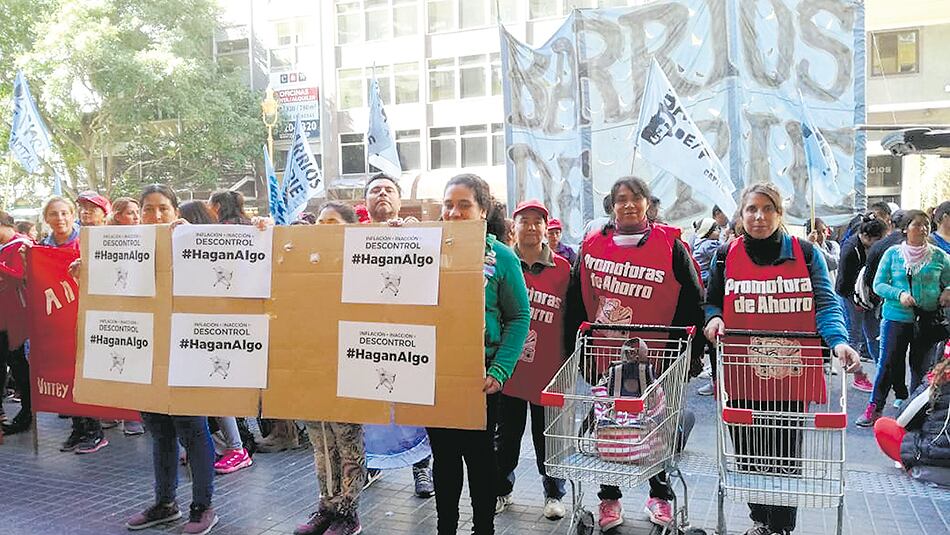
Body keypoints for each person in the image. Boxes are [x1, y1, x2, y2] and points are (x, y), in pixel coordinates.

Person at [704, 183, 859, 535]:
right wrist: (714, 318)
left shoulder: (806, 253)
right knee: (746, 456)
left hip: (791, 374)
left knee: (785, 457)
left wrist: (838, 342)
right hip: (742, 372)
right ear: (741, 215)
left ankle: (780, 527)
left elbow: (825, 303)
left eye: (767, 209)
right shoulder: (725, 255)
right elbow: (712, 300)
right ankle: (760, 520)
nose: (759, 216)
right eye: (751, 209)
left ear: (779, 213)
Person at [564, 176, 704, 531]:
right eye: (620, 199)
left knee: (654, 432)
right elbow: (577, 302)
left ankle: (660, 495)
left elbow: (692, 301)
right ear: (611, 206)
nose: (628, 204)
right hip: (607, 358)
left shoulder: (671, 246)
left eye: (635, 198)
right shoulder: (592, 246)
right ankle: (609, 500)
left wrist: (688, 356)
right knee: (609, 431)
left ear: (647, 204)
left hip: (656, 360)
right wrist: (581, 356)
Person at [428, 173, 530, 535]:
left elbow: (519, 317)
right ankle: (446, 528)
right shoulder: (424, 247)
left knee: (481, 458)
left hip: (481, 378)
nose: (453, 212)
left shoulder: (501, 256)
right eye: (448, 204)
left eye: (464, 205)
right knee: (445, 459)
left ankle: (483, 527)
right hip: (434, 376)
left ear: (483, 211)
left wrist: (500, 370)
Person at [125, 184, 219, 535]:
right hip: (147, 355)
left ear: (175, 210)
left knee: (193, 431)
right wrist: (86, 274)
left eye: (163, 208)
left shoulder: (194, 242)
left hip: (188, 354)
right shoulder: (128, 249)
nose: (156, 215)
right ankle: (165, 503)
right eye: (148, 209)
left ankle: (202, 506)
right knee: (160, 433)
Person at [494, 200, 568, 521]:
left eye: (538, 222)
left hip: (548, 372)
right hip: (509, 369)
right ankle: (501, 489)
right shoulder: (502, 263)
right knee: (506, 436)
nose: (531, 227)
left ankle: (553, 492)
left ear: (546, 228)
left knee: (548, 436)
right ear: (515, 227)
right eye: (525, 221)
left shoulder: (564, 269)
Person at [361, 173, 434, 497]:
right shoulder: (353, 237)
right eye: (375, 190)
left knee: (414, 405)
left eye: (388, 189)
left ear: (400, 200)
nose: (382, 194)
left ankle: (422, 469)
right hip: (368, 336)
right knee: (370, 400)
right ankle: (371, 461)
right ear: (364, 202)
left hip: (408, 335)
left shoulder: (418, 234)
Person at [294, 201, 365, 535]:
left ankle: (348, 513)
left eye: (332, 222)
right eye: (319, 222)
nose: (323, 227)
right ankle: (326, 505)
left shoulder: (361, 263)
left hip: (349, 367)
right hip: (311, 367)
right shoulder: (305, 265)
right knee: (320, 442)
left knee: (347, 440)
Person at [857, 210, 950, 427]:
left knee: (921, 367)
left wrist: (947, 291)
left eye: (926, 225)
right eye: (917, 225)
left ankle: (914, 412)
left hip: (927, 320)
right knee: (887, 363)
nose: (923, 229)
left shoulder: (938, 256)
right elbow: (878, 284)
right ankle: (874, 407)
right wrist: (899, 295)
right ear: (906, 229)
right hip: (895, 317)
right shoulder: (893, 254)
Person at [40, 194, 110, 454]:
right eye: (54, 214)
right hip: (58, 320)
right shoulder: (42, 247)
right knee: (66, 373)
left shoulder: (90, 241)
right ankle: (78, 428)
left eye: (64, 213)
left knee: (86, 372)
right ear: (46, 218)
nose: (60, 219)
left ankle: (95, 431)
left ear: (73, 215)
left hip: (89, 317)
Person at [873, 351, 950, 487]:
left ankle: (906, 464)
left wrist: (930, 385)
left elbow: (902, 420)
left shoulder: (939, 382)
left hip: (927, 468)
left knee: (883, 426)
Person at [835, 218, 888, 393]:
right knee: (854, 336)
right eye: (877, 240)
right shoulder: (850, 249)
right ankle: (858, 376)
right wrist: (856, 301)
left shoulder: (875, 248)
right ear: (866, 236)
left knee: (874, 334)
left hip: (869, 296)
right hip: (851, 296)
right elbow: (843, 283)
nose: (879, 244)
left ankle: (884, 371)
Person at [0, 211, 32, 435]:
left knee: (19, 365)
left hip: (16, 317)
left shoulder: (22, 245)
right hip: (3, 316)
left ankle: (27, 412)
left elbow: (20, 276)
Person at [692, 217, 721, 397]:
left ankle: (715, 378)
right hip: (706, 285)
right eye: (717, 229)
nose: (719, 232)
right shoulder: (710, 246)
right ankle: (715, 380)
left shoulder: (699, 242)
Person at [806, 218, 840, 285]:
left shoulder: (832, 245)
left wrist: (815, 246)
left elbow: (833, 264)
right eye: (818, 233)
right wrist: (810, 245)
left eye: (824, 231)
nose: (822, 235)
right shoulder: (805, 250)